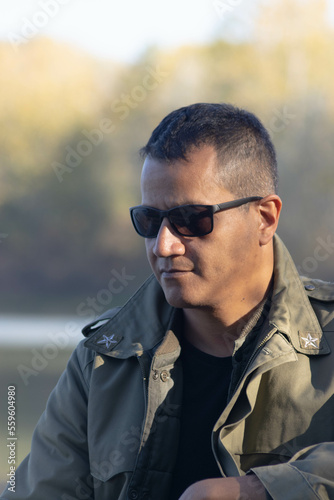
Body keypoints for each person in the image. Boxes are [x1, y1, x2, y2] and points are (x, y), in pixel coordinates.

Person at [2, 102, 334, 500]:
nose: (164, 245)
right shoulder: (103, 361)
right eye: (149, 220)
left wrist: (256, 491)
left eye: (192, 219)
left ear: (264, 217)